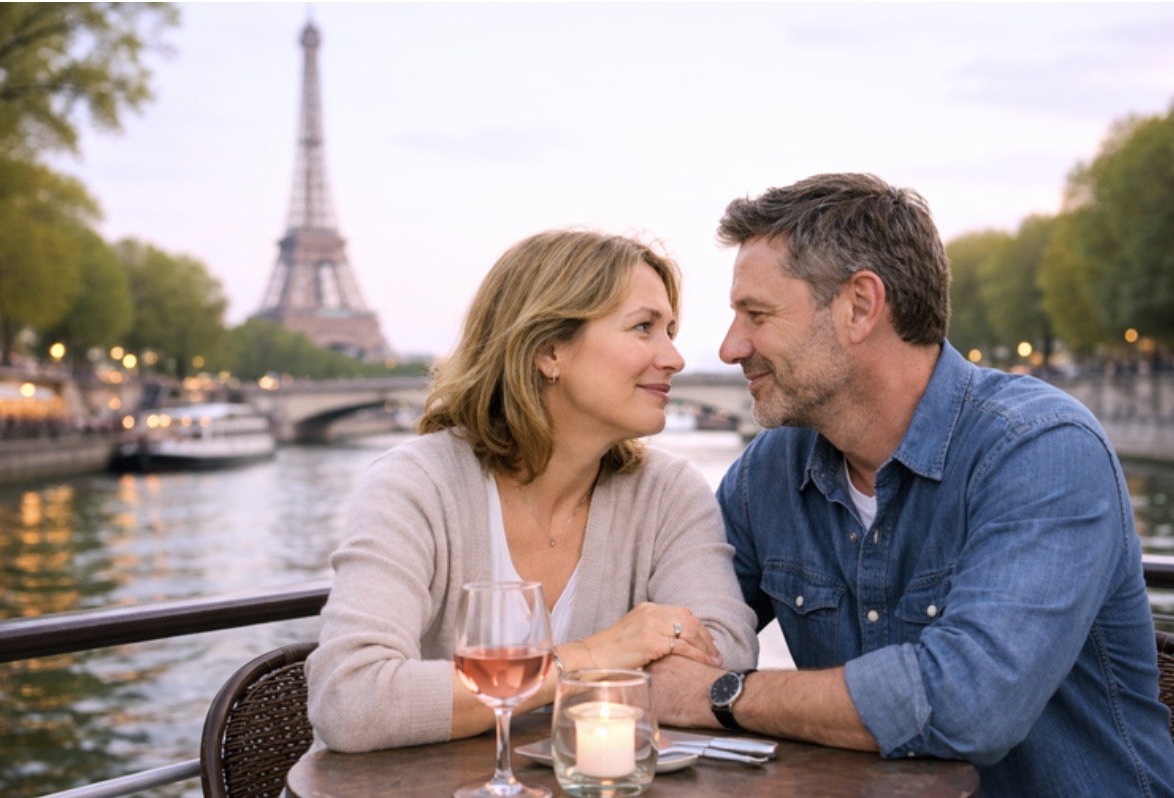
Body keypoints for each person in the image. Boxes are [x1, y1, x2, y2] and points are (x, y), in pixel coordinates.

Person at [648, 173, 1174, 797]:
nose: (730, 347)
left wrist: (725, 694)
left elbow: (968, 707)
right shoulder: (769, 472)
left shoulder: (1042, 450)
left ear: (860, 306)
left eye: (757, 315)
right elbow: (672, 642)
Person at [306, 228, 760, 752]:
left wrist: (460, 695)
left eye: (671, 332)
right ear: (548, 352)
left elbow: (723, 661)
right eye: (643, 328)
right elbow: (352, 699)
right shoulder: (416, 484)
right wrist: (596, 654)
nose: (675, 358)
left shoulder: (669, 492)